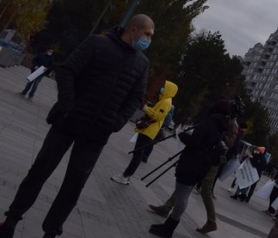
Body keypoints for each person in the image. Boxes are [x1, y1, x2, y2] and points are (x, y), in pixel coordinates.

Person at [0, 15, 152, 238]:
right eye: (147, 34)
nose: (149, 39)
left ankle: (51, 232)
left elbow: (136, 97)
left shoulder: (142, 63)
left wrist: (116, 122)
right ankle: (11, 220)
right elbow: (67, 71)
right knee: (39, 171)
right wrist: (68, 106)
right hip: (68, 121)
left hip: (97, 133)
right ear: (133, 30)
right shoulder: (97, 43)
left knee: (74, 186)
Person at [147, 99, 232, 237]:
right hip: (202, 165)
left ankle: (168, 229)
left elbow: (195, 142)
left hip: (192, 163)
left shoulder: (208, 123)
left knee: (181, 197)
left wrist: (182, 135)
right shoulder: (220, 126)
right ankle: (168, 226)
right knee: (183, 195)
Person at [112, 80, 178, 184]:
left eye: (165, 87)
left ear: (169, 90)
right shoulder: (165, 100)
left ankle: (125, 176)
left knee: (137, 154)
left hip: (148, 130)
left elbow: (157, 116)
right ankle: (126, 176)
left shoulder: (166, 102)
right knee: (138, 154)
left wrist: (146, 109)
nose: (162, 89)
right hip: (148, 130)